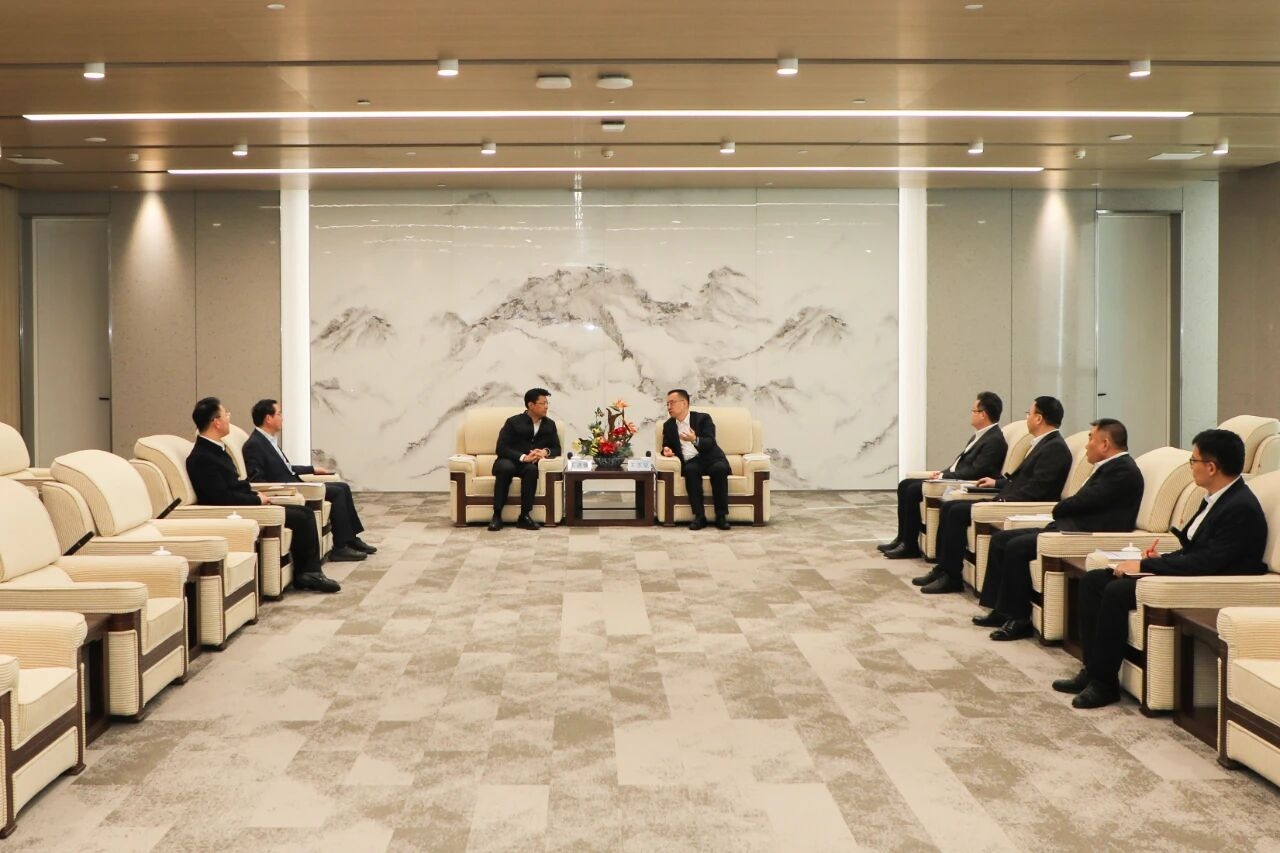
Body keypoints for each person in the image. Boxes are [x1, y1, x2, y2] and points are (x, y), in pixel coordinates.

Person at [1055, 428, 1268, 709]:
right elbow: (1194, 550)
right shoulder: (1217, 498)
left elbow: (1207, 562)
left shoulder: (1240, 508)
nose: (1191, 467)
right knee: (1094, 580)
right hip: (1194, 572)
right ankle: (1092, 670)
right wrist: (1160, 558)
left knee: (1117, 592)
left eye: (1194, 461)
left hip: (1209, 585)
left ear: (1211, 467)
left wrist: (1147, 565)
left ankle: (1104, 684)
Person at [973, 418, 1144, 640]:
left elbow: (1084, 501)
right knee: (1001, 539)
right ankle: (1001, 609)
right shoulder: (1109, 467)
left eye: (1091, 438)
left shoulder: (1123, 471)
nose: (1086, 445)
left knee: (1017, 546)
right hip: (1070, 527)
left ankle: (1019, 618)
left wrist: (1059, 508)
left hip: (1086, 533)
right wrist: (1062, 509)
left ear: (1105, 444)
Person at [915, 396, 1073, 594]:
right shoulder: (1043, 443)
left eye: (1029, 413)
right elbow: (1020, 480)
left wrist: (1001, 501)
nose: (1027, 418)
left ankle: (951, 577)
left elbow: (1036, 490)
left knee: (955, 511)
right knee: (950, 507)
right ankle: (943, 569)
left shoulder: (1055, 448)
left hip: (1019, 506)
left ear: (1039, 418)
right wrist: (996, 483)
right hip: (1007, 498)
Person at [186, 397, 340, 593]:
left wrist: (255, 493)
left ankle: (309, 572)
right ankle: (309, 574)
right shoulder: (202, 457)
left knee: (304, 512)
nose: (229, 418)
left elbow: (234, 485)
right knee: (302, 517)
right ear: (216, 422)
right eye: (226, 414)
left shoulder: (216, 449)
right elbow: (222, 498)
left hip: (244, 503)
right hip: (234, 512)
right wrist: (256, 499)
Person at [243, 398, 376, 563]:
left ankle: (351, 538)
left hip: (293, 482)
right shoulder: (254, 444)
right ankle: (340, 547)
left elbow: (286, 467)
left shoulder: (268, 440)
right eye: (279, 414)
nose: (282, 418)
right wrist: (280, 492)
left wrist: (312, 469)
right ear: (268, 418)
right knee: (337, 492)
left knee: (343, 487)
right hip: (288, 489)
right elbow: (258, 480)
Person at [882, 392, 1007, 559]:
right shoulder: (980, 436)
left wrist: (944, 476)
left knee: (912, 490)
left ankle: (909, 545)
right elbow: (960, 464)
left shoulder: (994, 440)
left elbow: (975, 472)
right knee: (905, 484)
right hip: (954, 477)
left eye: (973, 411)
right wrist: (942, 473)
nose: (971, 414)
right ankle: (902, 538)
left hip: (965, 484)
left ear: (982, 414)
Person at [490, 388, 561, 532]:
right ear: (531, 405)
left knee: (532, 470)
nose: (546, 406)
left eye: (547, 403)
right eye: (543, 403)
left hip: (529, 465)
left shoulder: (549, 424)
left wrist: (545, 452)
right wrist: (523, 457)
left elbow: (557, 448)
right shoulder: (513, 422)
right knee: (506, 468)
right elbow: (501, 448)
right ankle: (497, 515)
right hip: (508, 460)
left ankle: (524, 516)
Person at [662, 389, 732, 530]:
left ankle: (721, 516)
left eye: (672, 403)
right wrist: (666, 450)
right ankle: (700, 517)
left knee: (719, 469)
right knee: (690, 470)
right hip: (692, 461)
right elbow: (666, 444)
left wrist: (695, 439)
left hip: (712, 458)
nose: (669, 407)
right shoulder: (668, 425)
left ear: (684, 403)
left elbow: (710, 442)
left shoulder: (703, 418)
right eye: (667, 404)